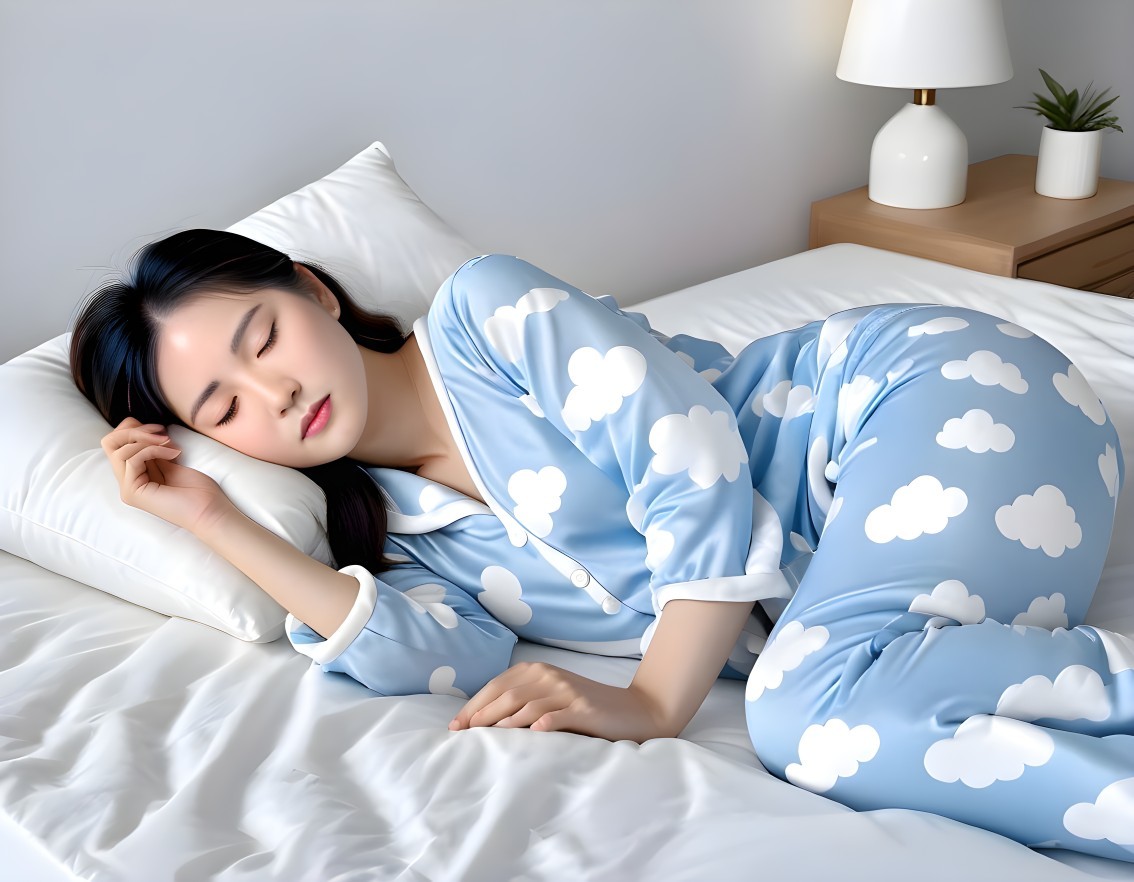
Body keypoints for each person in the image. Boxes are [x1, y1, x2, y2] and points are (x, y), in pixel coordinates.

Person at [70, 229, 1131, 861]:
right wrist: (213, 519)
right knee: (841, 711)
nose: (276, 390)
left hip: (932, 399)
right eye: (226, 406)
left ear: (314, 290)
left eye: (264, 338)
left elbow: (694, 461)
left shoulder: (487, 314)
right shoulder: (410, 540)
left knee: (802, 714)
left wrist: (657, 700)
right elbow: (430, 657)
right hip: (867, 595)